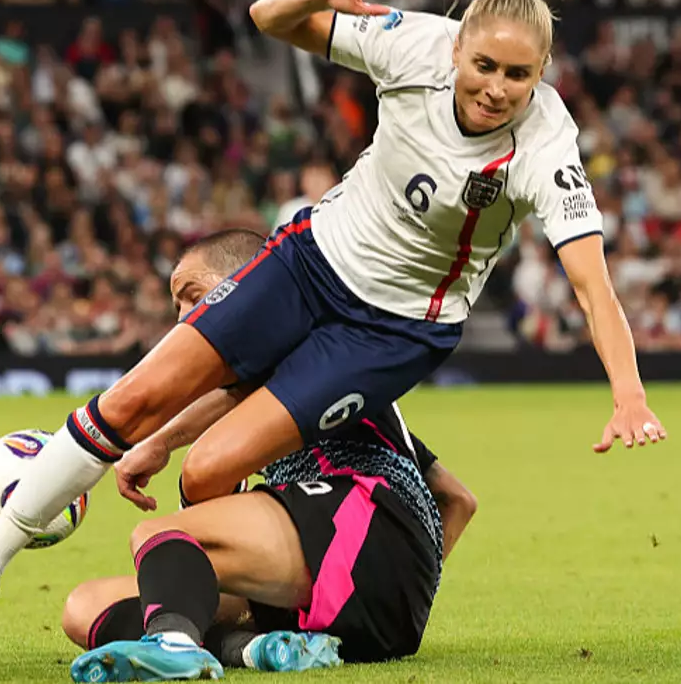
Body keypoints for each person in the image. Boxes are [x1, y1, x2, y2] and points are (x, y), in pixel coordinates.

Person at [0, 0, 665, 670]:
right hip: (309, 259)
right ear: (457, 47)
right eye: (485, 65)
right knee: (133, 400)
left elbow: (592, 287)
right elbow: (268, 19)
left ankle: (230, 624)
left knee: (214, 468)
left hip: (391, 328)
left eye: (518, 77)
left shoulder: (547, 146)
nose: (496, 87)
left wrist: (628, 393)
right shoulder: (414, 46)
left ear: (543, 75)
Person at [55, 229, 478, 680]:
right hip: (352, 607)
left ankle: (174, 645)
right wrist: (408, 596)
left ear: (250, 287)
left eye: (192, 296)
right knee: (84, 607)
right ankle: (253, 649)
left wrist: (160, 440)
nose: (183, 320)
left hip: (358, 525)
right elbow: (458, 500)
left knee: (157, 534)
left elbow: (252, 386)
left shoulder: (311, 346)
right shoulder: (348, 391)